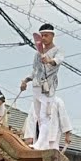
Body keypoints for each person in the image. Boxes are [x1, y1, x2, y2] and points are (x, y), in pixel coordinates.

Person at [20, 24, 64, 152]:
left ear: (52, 36)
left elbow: (57, 61)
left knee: (45, 115)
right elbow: (35, 71)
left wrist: (48, 60)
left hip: (48, 87)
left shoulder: (58, 50)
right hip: (36, 86)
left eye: (46, 35)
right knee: (38, 116)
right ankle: (39, 141)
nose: (44, 38)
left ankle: (42, 144)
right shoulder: (37, 54)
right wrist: (26, 80)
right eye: (42, 36)